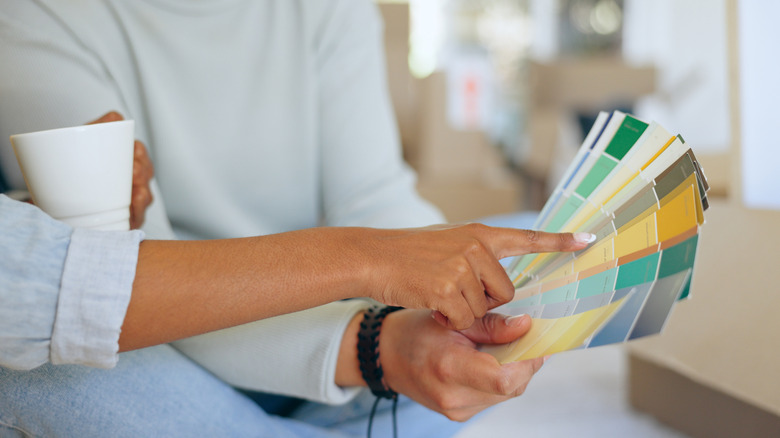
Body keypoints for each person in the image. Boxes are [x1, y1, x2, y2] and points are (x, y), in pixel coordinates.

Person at [0, 1, 594, 436]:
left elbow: (375, 197)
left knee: (492, 317)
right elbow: (101, 297)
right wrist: (376, 348)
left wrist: (459, 304)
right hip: (168, 355)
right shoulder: (28, 19)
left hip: (331, 337)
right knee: (41, 367)